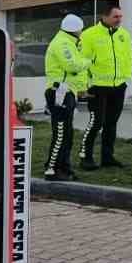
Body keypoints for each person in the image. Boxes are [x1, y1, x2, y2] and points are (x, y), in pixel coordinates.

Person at [79, 4, 132, 170]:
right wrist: (83, 87)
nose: (119, 20)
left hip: (118, 86)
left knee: (111, 123)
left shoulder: (124, 35)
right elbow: (82, 62)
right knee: (96, 123)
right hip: (97, 87)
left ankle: (107, 157)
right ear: (105, 16)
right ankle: (85, 158)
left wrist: (125, 79)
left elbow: (129, 58)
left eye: (120, 17)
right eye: (116, 17)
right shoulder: (89, 35)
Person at [42, 14, 90, 181]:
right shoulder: (62, 43)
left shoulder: (70, 43)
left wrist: (81, 88)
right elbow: (73, 66)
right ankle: (52, 170)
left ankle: (63, 167)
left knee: (67, 134)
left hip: (66, 92)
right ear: (75, 29)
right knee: (61, 133)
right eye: (80, 29)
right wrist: (88, 61)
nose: (81, 32)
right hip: (59, 92)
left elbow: (75, 69)